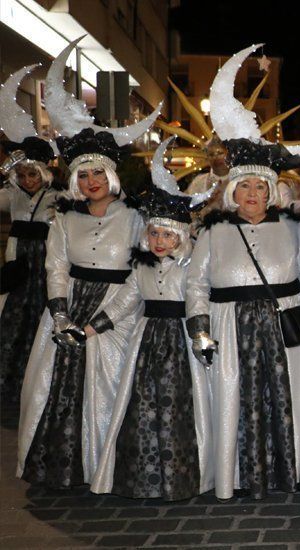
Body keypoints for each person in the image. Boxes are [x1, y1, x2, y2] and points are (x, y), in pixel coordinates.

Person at [186, 45, 300, 500]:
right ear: (231, 191)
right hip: (230, 327)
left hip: (284, 327)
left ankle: (288, 471)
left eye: (258, 187)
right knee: (235, 399)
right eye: (242, 185)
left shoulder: (292, 228)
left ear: (271, 192)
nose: (250, 193)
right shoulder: (211, 232)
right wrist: (201, 328)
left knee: (286, 400)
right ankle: (236, 475)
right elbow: (196, 283)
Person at [17, 129, 145, 487]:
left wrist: (99, 324)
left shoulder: (136, 218)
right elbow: (55, 267)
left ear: (112, 175)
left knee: (114, 390)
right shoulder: (64, 219)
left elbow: (140, 278)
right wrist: (60, 316)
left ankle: (108, 469)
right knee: (56, 387)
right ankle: (65, 469)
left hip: (117, 313)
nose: (92, 182)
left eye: (98, 173)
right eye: (84, 175)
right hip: (69, 309)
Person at [91, 138, 216, 500]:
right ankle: (144, 476)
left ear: (180, 237)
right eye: (155, 233)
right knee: (142, 404)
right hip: (145, 344)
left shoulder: (190, 270)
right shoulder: (141, 268)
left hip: (180, 342)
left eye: (168, 234)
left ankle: (183, 476)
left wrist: (200, 335)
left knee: (181, 407)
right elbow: (124, 301)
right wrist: (91, 328)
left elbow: (196, 300)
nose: (160, 241)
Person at [0, 64, 60, 404]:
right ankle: (9, 380)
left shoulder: (56, 198)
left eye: (31, 173)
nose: (27, 179)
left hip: (44, 267)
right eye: (21, 174)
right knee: (14, 321)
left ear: (42, 173)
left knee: (39, 320)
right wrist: (6, 167)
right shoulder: (13, 198)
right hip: (18, 266)